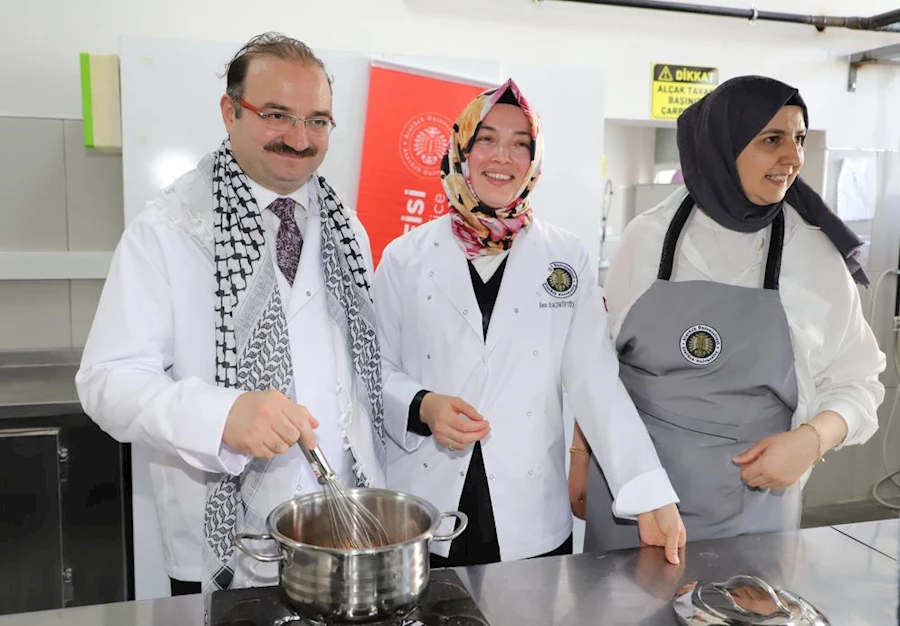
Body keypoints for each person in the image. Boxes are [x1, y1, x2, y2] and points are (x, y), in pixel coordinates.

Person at [76, 33, 385, 596]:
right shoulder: (168, 230)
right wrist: (221, 416)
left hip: (339, 529)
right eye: (276, 115)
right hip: (226, 544)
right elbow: (107, 381)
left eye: (317, 121)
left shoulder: (348, 230)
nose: (299, 138)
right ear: (230, 111)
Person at [374, 78, 686, 568]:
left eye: (521, 144)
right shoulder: (404, 257)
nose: (503, 157)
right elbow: (373, 369)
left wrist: (649, 493)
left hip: (527, 505)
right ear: (461, 149)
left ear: (535, 159)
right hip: (424, 496)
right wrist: (423, 406)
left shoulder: (564, 256)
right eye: (487, 139)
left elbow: (595, 380)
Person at [569, 75, 886, 552]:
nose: (794, 157)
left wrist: (812, 440)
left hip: (751, 507)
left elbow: (860, 383)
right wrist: (581, 454)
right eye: (772, 140)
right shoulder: (649, 237)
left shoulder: (813, 255)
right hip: (634, 496)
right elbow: (599, 367)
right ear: (722, 145)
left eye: (799, 139)